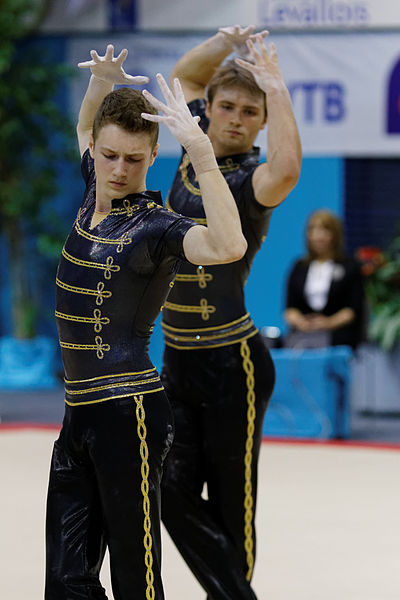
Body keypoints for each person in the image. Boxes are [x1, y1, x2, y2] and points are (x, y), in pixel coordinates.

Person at [44, 45, 247, 600]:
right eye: (109, 156)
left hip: (127, 412)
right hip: (78, 413)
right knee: (65, 578)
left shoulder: (157, 226)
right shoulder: (93, 191)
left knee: (137, 576)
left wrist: (203, 153)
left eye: (133, 160)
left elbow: (229, 245)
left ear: (154, 155)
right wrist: (99, 86)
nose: (117, 170)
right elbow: (89, 126)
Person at [158, 27, 302, 599]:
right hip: (177, 360)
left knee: (232, 508)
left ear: (261, 122)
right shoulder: (193, 147)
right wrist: (225, 41)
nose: (237, 119)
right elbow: (188, 75)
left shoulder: (249, 182)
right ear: (209, 112)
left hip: (232, 365)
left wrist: (275, 84)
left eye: (250, 111)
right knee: (165, 489)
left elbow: (288, 170)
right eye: (227, 107)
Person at [284, 209, 365, 349]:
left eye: (324, 230)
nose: (318, 236)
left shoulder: (350, 266)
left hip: (338, 338)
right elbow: (290, 309)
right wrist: (302, 322)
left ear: (335, 234)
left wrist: (328, 323)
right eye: (313, 230)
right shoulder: (299, 267)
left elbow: (353, 309)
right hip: (303, 337)